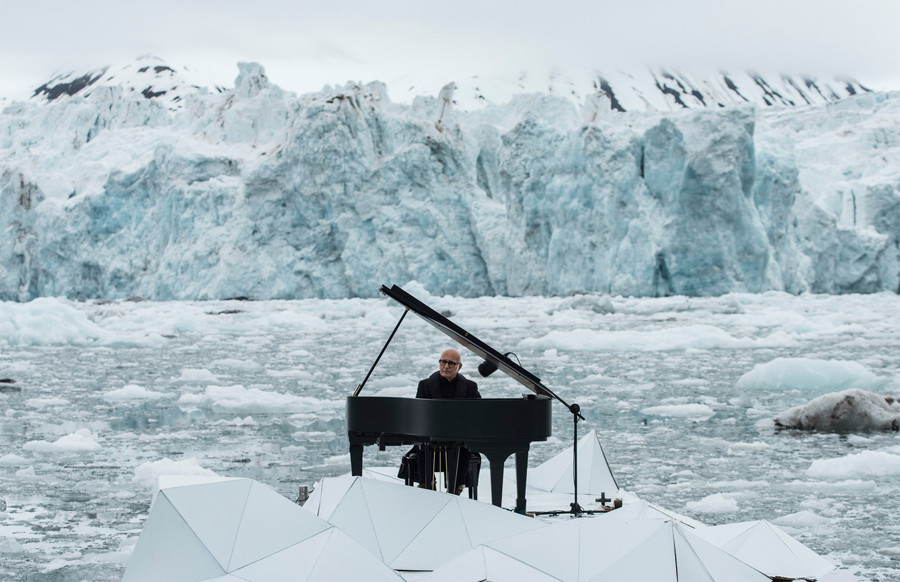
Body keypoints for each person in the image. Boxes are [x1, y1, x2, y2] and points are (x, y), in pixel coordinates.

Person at [414, 348, 481, 493]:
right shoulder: (424, 385)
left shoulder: (470, 387)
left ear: (459, 366)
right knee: (421, 447)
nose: (446, 366)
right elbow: (418, 414)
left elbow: (479, 413)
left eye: (451, 363)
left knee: (465, 448)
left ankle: (457, 488)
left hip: (459, 438)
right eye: (443, 362)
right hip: (431, 439)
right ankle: (426, 485)